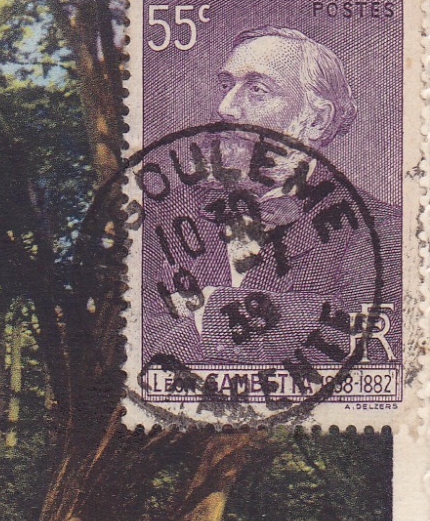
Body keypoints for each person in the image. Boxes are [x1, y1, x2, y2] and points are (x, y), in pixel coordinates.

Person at [144, 26, 402, 369]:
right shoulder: (163, 218)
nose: (226, 108)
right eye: (226, 85)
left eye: (257, 90)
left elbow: (368, 344)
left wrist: (209, 312)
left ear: (316, 121)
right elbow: (137, 336)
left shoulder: (382, 232)